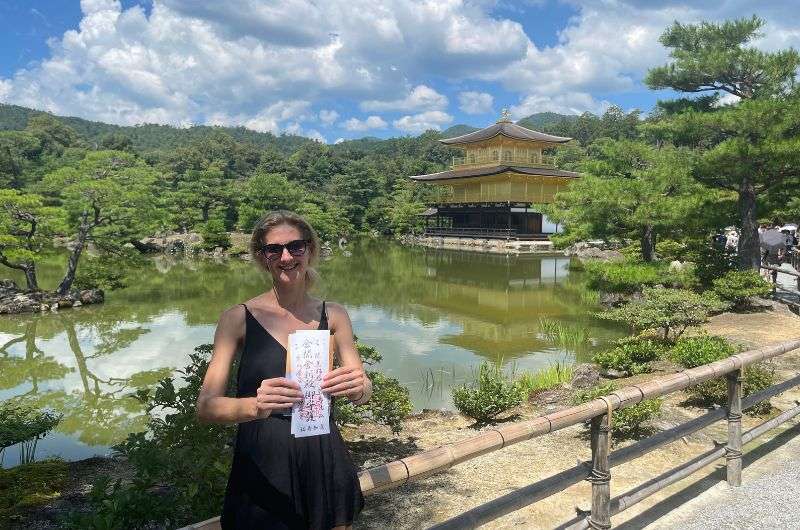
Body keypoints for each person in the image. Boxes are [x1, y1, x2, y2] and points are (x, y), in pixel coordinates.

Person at [197, 210, 369, 529]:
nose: (286, 256)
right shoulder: (237, 318)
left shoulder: (334, 316)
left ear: (310, 250)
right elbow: (206, 406)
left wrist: (359, 387)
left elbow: (362, 388)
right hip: (264, 458)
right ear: (262, 257)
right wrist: (254, 405)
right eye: (274, 249)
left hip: (323, 452)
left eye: (296, 246)